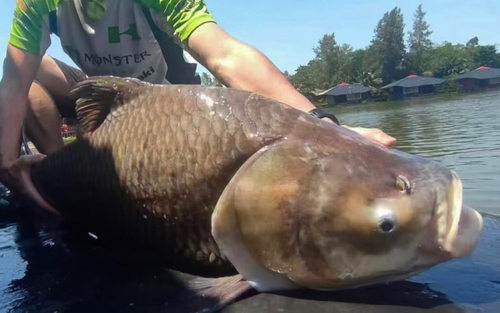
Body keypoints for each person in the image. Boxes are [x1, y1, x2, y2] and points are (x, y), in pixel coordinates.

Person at [0, 0, 396, 214]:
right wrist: (5, 164)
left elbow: (224, 55)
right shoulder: (34, 3)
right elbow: (15, 81)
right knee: (28, 80)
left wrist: (325, 126)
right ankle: (52, 183)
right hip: (102, 95)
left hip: (167, 105)